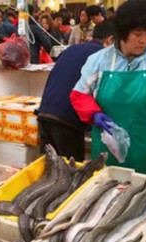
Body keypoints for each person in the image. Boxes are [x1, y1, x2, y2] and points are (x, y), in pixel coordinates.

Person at [70, 0, 146, 174]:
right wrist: (94, 114)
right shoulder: (98, 61)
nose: (143, 40)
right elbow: (80, 95)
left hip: (141, 145)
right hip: (106, 145)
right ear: (122, 32)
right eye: (137, 33)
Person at [37, 21, 116, 161]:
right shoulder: (102, 57)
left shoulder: (71, 49)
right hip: (67, 121)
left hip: (44, 115)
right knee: (72, 174)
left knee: (50, 171)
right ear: (110, 40)